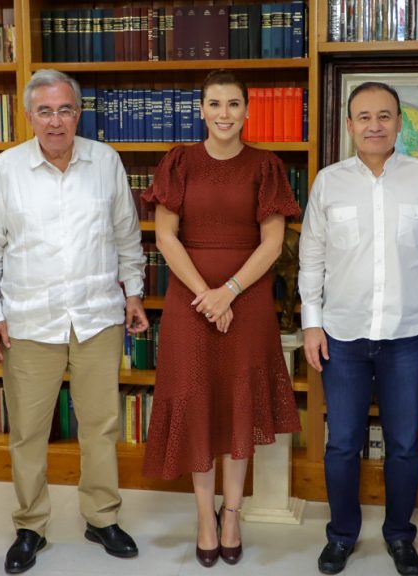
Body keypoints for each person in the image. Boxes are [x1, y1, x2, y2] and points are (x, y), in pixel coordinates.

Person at [0, 69, 148, 574]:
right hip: (29, 322)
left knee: (101, 425)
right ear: (29, 116)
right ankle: (31, 525)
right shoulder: (7, 169)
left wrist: (134, 293)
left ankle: (101, 516)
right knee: (28, 432)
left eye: (65, 110)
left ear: (78, 114)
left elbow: (126, 235)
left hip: (96, 317)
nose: (55, 121)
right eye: (44, 111)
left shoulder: (105, 162)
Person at [140, 69, 302, 568]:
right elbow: (165, 236)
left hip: (247, 302)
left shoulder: (266, 166)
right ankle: (204, 518)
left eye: (233, 104)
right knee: (198, 404)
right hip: (191, 303)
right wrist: (206, 295)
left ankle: (231, 514)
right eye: (215, 104)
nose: (224, 113)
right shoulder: (179, 162)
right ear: (202, 110)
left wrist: (228, 291)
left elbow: (272, 242)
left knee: (237, 405)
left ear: (247, 111)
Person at [299, 82, 418, 576]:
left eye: (384, 116)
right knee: (342, 443)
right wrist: (311, 324)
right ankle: (341, 535)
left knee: (404, 444)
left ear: (399, 123)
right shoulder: (329, 182)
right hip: (341, 336)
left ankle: (400, 535)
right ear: (350, 126)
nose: (374, 125)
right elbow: (311, 259)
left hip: (405, 335)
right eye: (364, 117)